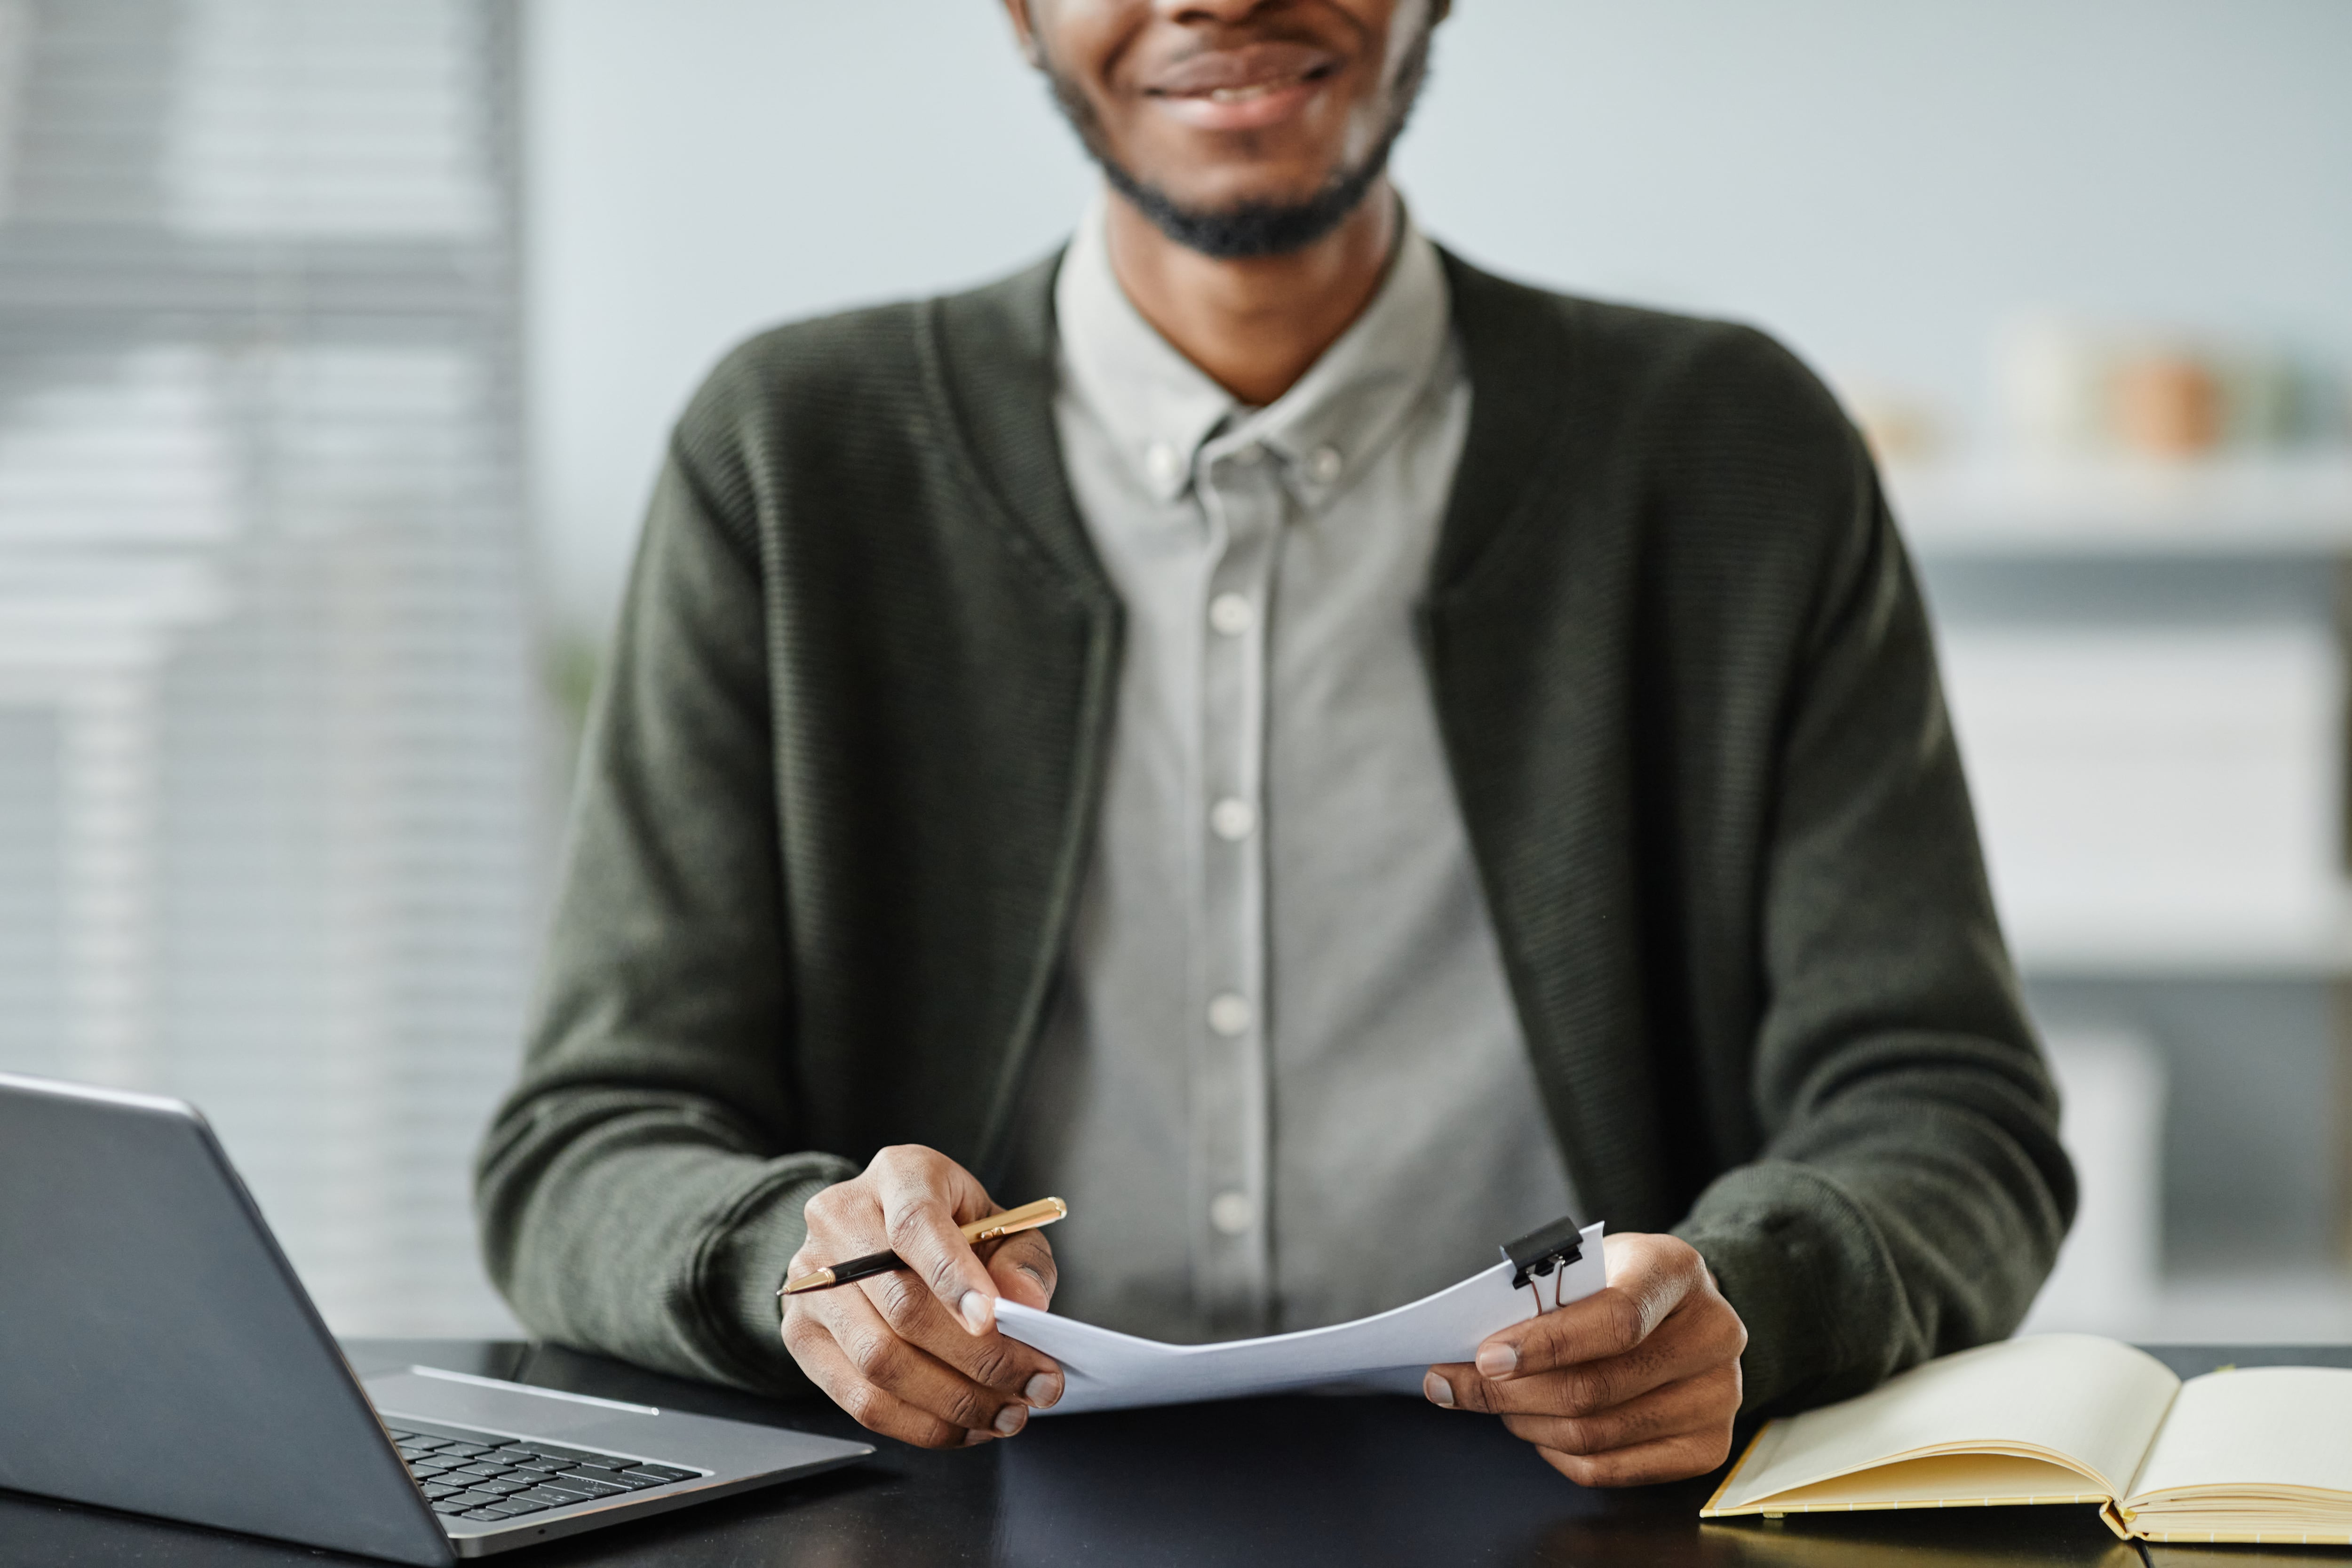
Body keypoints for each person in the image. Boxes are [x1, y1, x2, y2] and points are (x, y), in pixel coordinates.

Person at [476, 0, 2073, 1488]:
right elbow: (586, 1150)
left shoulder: (1738, 450)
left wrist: (1752, 1296)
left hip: (1569, 1508)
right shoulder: (789, 455)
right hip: (954, 1506)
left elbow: (1945, 1109)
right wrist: (801, 1268)